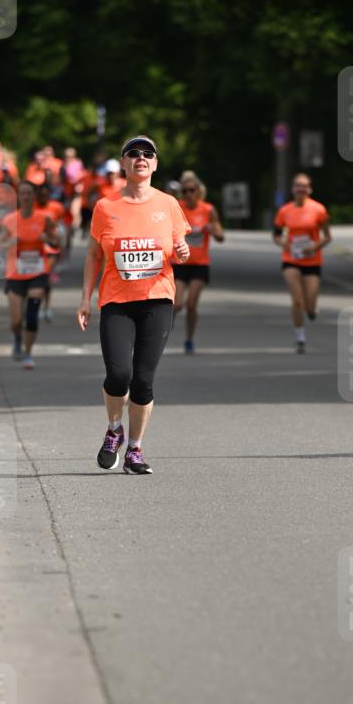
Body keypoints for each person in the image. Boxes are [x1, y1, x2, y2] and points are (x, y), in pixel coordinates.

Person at [76, 135, 190, 474]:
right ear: (123, 164)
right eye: (133, 153)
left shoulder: (168, 204)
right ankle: (114, 428)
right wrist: (85, 298)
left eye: (148, 154)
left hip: (157, 299)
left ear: (154, 164)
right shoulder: (105, 207)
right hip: (117, 301)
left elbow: (180, 247)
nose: (141, 158)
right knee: (118, 374)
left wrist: (183, 253)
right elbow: (94, 255)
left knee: (142, 380)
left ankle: (135, 451)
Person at [0, 180, 59, 369]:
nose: (25, 197)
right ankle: (17, 338)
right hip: (15, 274)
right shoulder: (9, 220)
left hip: (37, 273)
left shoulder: (44, 218)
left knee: (32, 314)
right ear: (18, 197)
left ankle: (28, 352)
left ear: (34, 196)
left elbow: (56, 244)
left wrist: (46, 239)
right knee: (16, 320)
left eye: (29, 193)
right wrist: (10, 243)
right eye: (22, 193)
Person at [273, 173, 331, 353]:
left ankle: (312, 309)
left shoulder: (319, 210)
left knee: (309, 306)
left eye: (304, 186)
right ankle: (300, 337)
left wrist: (314, 246)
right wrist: (286, 245)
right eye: (298, 185)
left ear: (309, 189)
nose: (301, 189)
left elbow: (328, 237)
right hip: (291, 259)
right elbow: (276, 235)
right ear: (293, 189)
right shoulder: (285, 211)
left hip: (312, 260)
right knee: (297, 300)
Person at [173, 170, 224, 354]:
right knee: (177, 304)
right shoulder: (177, 207)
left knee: (192, 304)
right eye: (185, 191)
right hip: (179, 263)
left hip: (200, 264)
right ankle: (165, 321)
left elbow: (220, 236)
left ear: (198, 191)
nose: (188, 194)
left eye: (191, 190)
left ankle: (189, 338)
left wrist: (212, 229)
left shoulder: (208, 210)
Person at [35, 183, 66, 321]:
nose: (43, 197)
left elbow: (60, 226)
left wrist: (60, 242)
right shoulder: (31, 207)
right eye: (40, 194)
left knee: (45, 277)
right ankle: (34, 306)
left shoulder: (56, 207)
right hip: (35, 246)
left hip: (51, 245)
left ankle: (46, 307)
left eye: (45, 194)